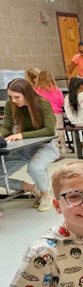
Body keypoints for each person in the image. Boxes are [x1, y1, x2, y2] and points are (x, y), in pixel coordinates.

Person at [0, 78, 58, 213]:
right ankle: (32, 188)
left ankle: (45, 194)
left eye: (16, 97)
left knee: (35, 167)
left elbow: (49, 130)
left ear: (27, 94)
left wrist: (22, 135)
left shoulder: (42, 103)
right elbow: (6, 127)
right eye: (10, 96)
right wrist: (1, 135)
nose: (13, 100)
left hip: (44, 146)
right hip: (22, 148)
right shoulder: (11, 104)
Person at [34, 70, 66, 154]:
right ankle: (63, 147)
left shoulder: (37, 90)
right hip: (56, 112)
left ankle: (55, 148)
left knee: (50, 130)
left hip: (43, 113)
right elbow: (62, 102)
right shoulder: (56, 89)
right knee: (59, 130)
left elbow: (36, 102)